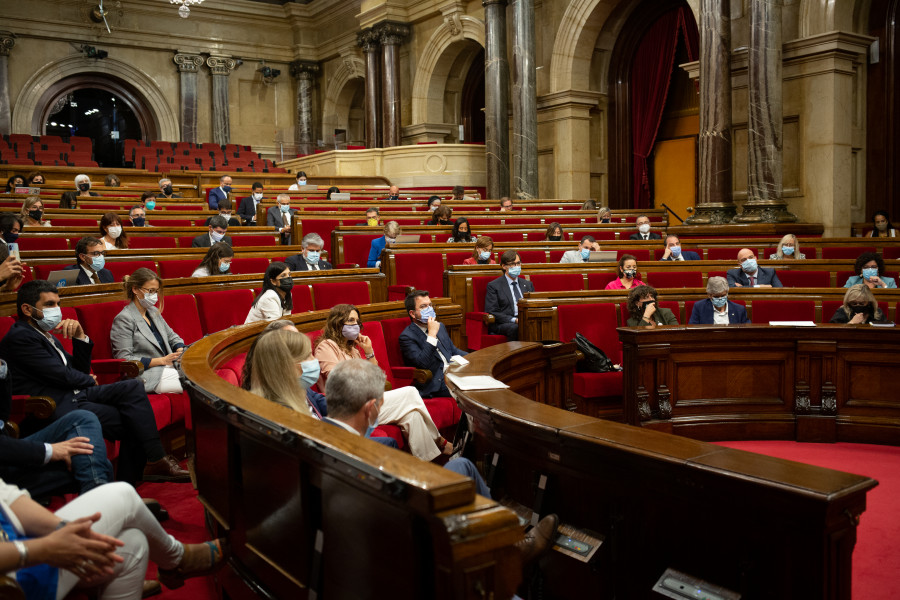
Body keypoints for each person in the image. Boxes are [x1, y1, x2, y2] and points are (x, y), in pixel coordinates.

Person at [321, 359, 559, 562]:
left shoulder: (317, 432)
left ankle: (505, 535)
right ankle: (509, 549)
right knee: (461, 476)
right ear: (370, 409)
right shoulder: (358, 457)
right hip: (408, 542)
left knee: (462, 464)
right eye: (381, 404)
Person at [0, 280, 190, 484]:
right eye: (49, 305)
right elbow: (62, 375)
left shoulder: (45, 335)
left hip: (73, 395)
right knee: (131, 419)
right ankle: (143, 471)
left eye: (58, 304)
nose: (57, 310)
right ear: (27, 309)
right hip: (51, 404)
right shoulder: (21, 337)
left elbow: (76, 370)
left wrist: (80, 337)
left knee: (133, 387)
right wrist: (87, 380)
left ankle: (152, 461)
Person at [0, 477, 224, 598]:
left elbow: (8, 498)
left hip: (19, 537)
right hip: (13, 576)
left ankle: (176, 561)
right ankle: (177, 559)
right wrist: (43, 549)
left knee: (134, 542)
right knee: (124, 495)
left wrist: (66, 531)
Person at [313, 304, 454, 460]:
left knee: (412, 416)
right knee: (411, 392)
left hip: (366, 400)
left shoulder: (352, 349)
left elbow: (378, 377)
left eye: (357, 322)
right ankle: (439, 440)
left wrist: (369, 351)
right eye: (350, 321)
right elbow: (338, 378)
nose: (355, 325)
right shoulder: (326, 346)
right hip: (348, 407)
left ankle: (425, 467)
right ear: (338, 323)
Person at [1, 357, 113, 499]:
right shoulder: (22, 336)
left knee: (84, 422)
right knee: (99, 463)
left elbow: (2, 416)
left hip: (8, 451)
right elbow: (63, 375)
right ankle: (99, 499)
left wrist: (1, 370)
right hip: (5, 465)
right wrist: (51, 450)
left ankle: (98, 496)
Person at [110, 269, 186, 394]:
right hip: (146, 375)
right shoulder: (124, 318)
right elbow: (124, 359)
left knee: (200, 376)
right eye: (150, 291)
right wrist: (161, 361)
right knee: (193, 384)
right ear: (135, 289)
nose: (154, 296)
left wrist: (179, 350)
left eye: (156, 291)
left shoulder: (152, 311)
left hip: (168, 366)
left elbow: (172, 337)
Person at [399, 290, 467, 398]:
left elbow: (453, 350)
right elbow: (422, 363)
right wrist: (431, 335)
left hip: (453, 373)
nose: (429, 309)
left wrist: (475, 357)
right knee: (471, 391)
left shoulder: (440, 326)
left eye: (430, 305)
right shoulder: (407, 337)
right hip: (436, 383)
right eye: (423, 306)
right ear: (412, 313)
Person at [484, 251, 534, 341]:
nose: (516, 267)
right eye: (512, 264)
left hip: (525, 319)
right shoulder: (494, 286)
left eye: (518, 263)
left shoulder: (527, 284)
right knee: (516, 327)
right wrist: (514, 320)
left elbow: (533, 305)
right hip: (504, 322)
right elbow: (492, 311)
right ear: (504, 266)